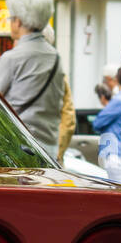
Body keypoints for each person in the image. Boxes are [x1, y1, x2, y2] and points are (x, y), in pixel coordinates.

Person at [0, 0, 65, 156]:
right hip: (49, 150)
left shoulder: (12, 58)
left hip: (17, 147)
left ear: (18, 22)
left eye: (11, 18)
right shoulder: (56, 58)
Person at [42, 24, 75, 161]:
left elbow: (68, 116)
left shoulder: (56, 71)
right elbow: (69, 117)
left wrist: (57, 152)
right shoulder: (58, 69)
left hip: (45, 153)